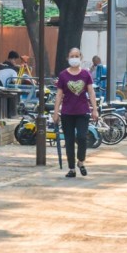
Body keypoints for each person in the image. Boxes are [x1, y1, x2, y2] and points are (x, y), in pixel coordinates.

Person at [53, 47, 100, 178]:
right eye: (72, 56)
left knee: (82, 137)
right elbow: (59, 95)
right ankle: (72, 168)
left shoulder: (86, 74)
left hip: (82, 111)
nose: (74, 58)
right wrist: (56, 112)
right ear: (68, 58)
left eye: (76, 56)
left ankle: (81, 161)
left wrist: (94, 109)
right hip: (67, 112)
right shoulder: (63, 75)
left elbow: (91, 92)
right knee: (69, 140)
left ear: (80, 57)